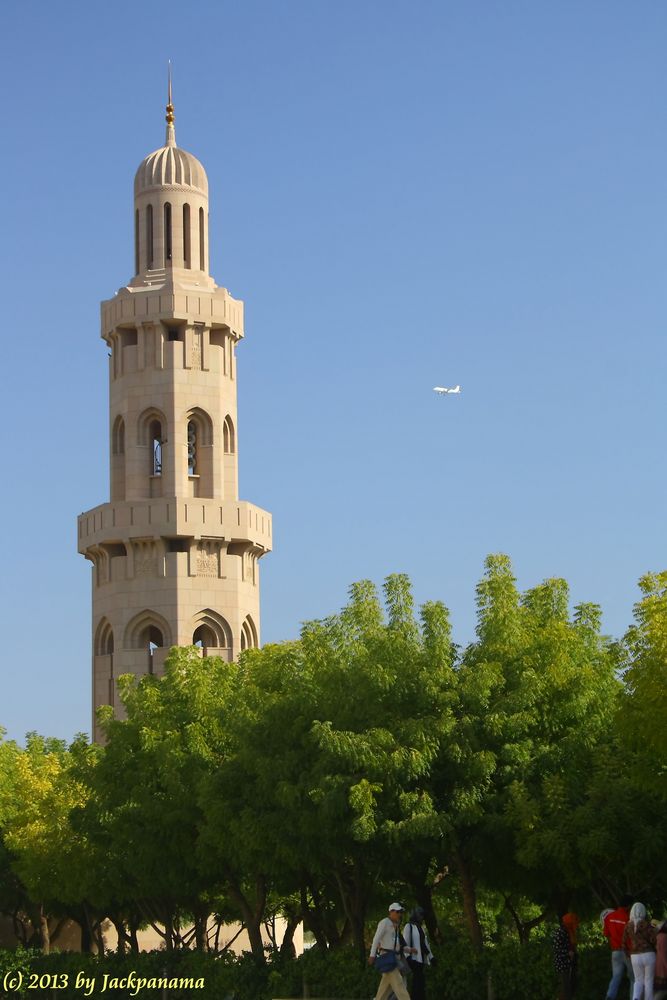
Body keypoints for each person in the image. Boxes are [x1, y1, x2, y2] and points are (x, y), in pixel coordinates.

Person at [369, 902, 416, 1000]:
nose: (400, 914)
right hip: (387, 957)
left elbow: (398, 945)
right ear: (391, 912)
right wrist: (372, 955)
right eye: (398, 912)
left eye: (401, 912)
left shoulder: (396, 925)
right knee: (399, 984)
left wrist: (409, 949)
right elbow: (376, 939)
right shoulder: (384, 922)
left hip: (394, 958)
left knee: (386, 987)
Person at [622, 902, 657, 1000]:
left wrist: (627, 954)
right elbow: (653, 940)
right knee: (648, 981)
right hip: (649, 954)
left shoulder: (628, 926)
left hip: (635, 956)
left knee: (638, 980)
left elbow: (623, 943)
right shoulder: (647, 924)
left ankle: (635, 998)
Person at [604, 895, 635, 1000]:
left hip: (615, 952)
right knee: (633, 978)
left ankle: (610, 996)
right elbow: (630, 937)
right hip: (627, 952)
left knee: (616, 976)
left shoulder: (609, 917)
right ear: (628, 906)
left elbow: (606, 933)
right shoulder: (627, 918)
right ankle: (633, 997)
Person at [403, 906, 434, 1000]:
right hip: (413, 959)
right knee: (417, 980)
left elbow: (424, 944)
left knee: (420, 981)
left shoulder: (420, 928)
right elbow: (405, 943)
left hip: (420, 959)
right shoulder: (409, 926)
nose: (422, 917)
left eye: (422, 915)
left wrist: (431, 957)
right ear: (415, 915)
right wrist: (408, 957)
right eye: (420, 915)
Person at [553, 910, 577, 1000]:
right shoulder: (560, 932)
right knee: (565, 987)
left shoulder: (569, 931)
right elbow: (557, 948)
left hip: (569, 962)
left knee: (571, 986)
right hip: (562, 963)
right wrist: (568, 953)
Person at [654, 920, 667, 1000]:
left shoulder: (659, 936)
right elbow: (663, 953)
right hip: (662, 967)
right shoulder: (664, 937)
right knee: (663, 990)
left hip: (659, 964)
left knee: (658, 989)